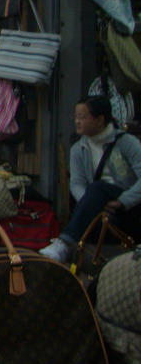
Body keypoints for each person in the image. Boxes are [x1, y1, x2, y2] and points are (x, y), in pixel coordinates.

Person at [39, 95, 141, 263]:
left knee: (98, 187)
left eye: (82, 117)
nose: (77, 122)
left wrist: (123, 201)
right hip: (99, 208)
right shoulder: (78, 149)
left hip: (128, 208)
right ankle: (66, 244)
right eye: (75, 117)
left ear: (100, 120)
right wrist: (90, 202)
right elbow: (76, 184)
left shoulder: (127, 143)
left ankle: (64, 242)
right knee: (94, 190)